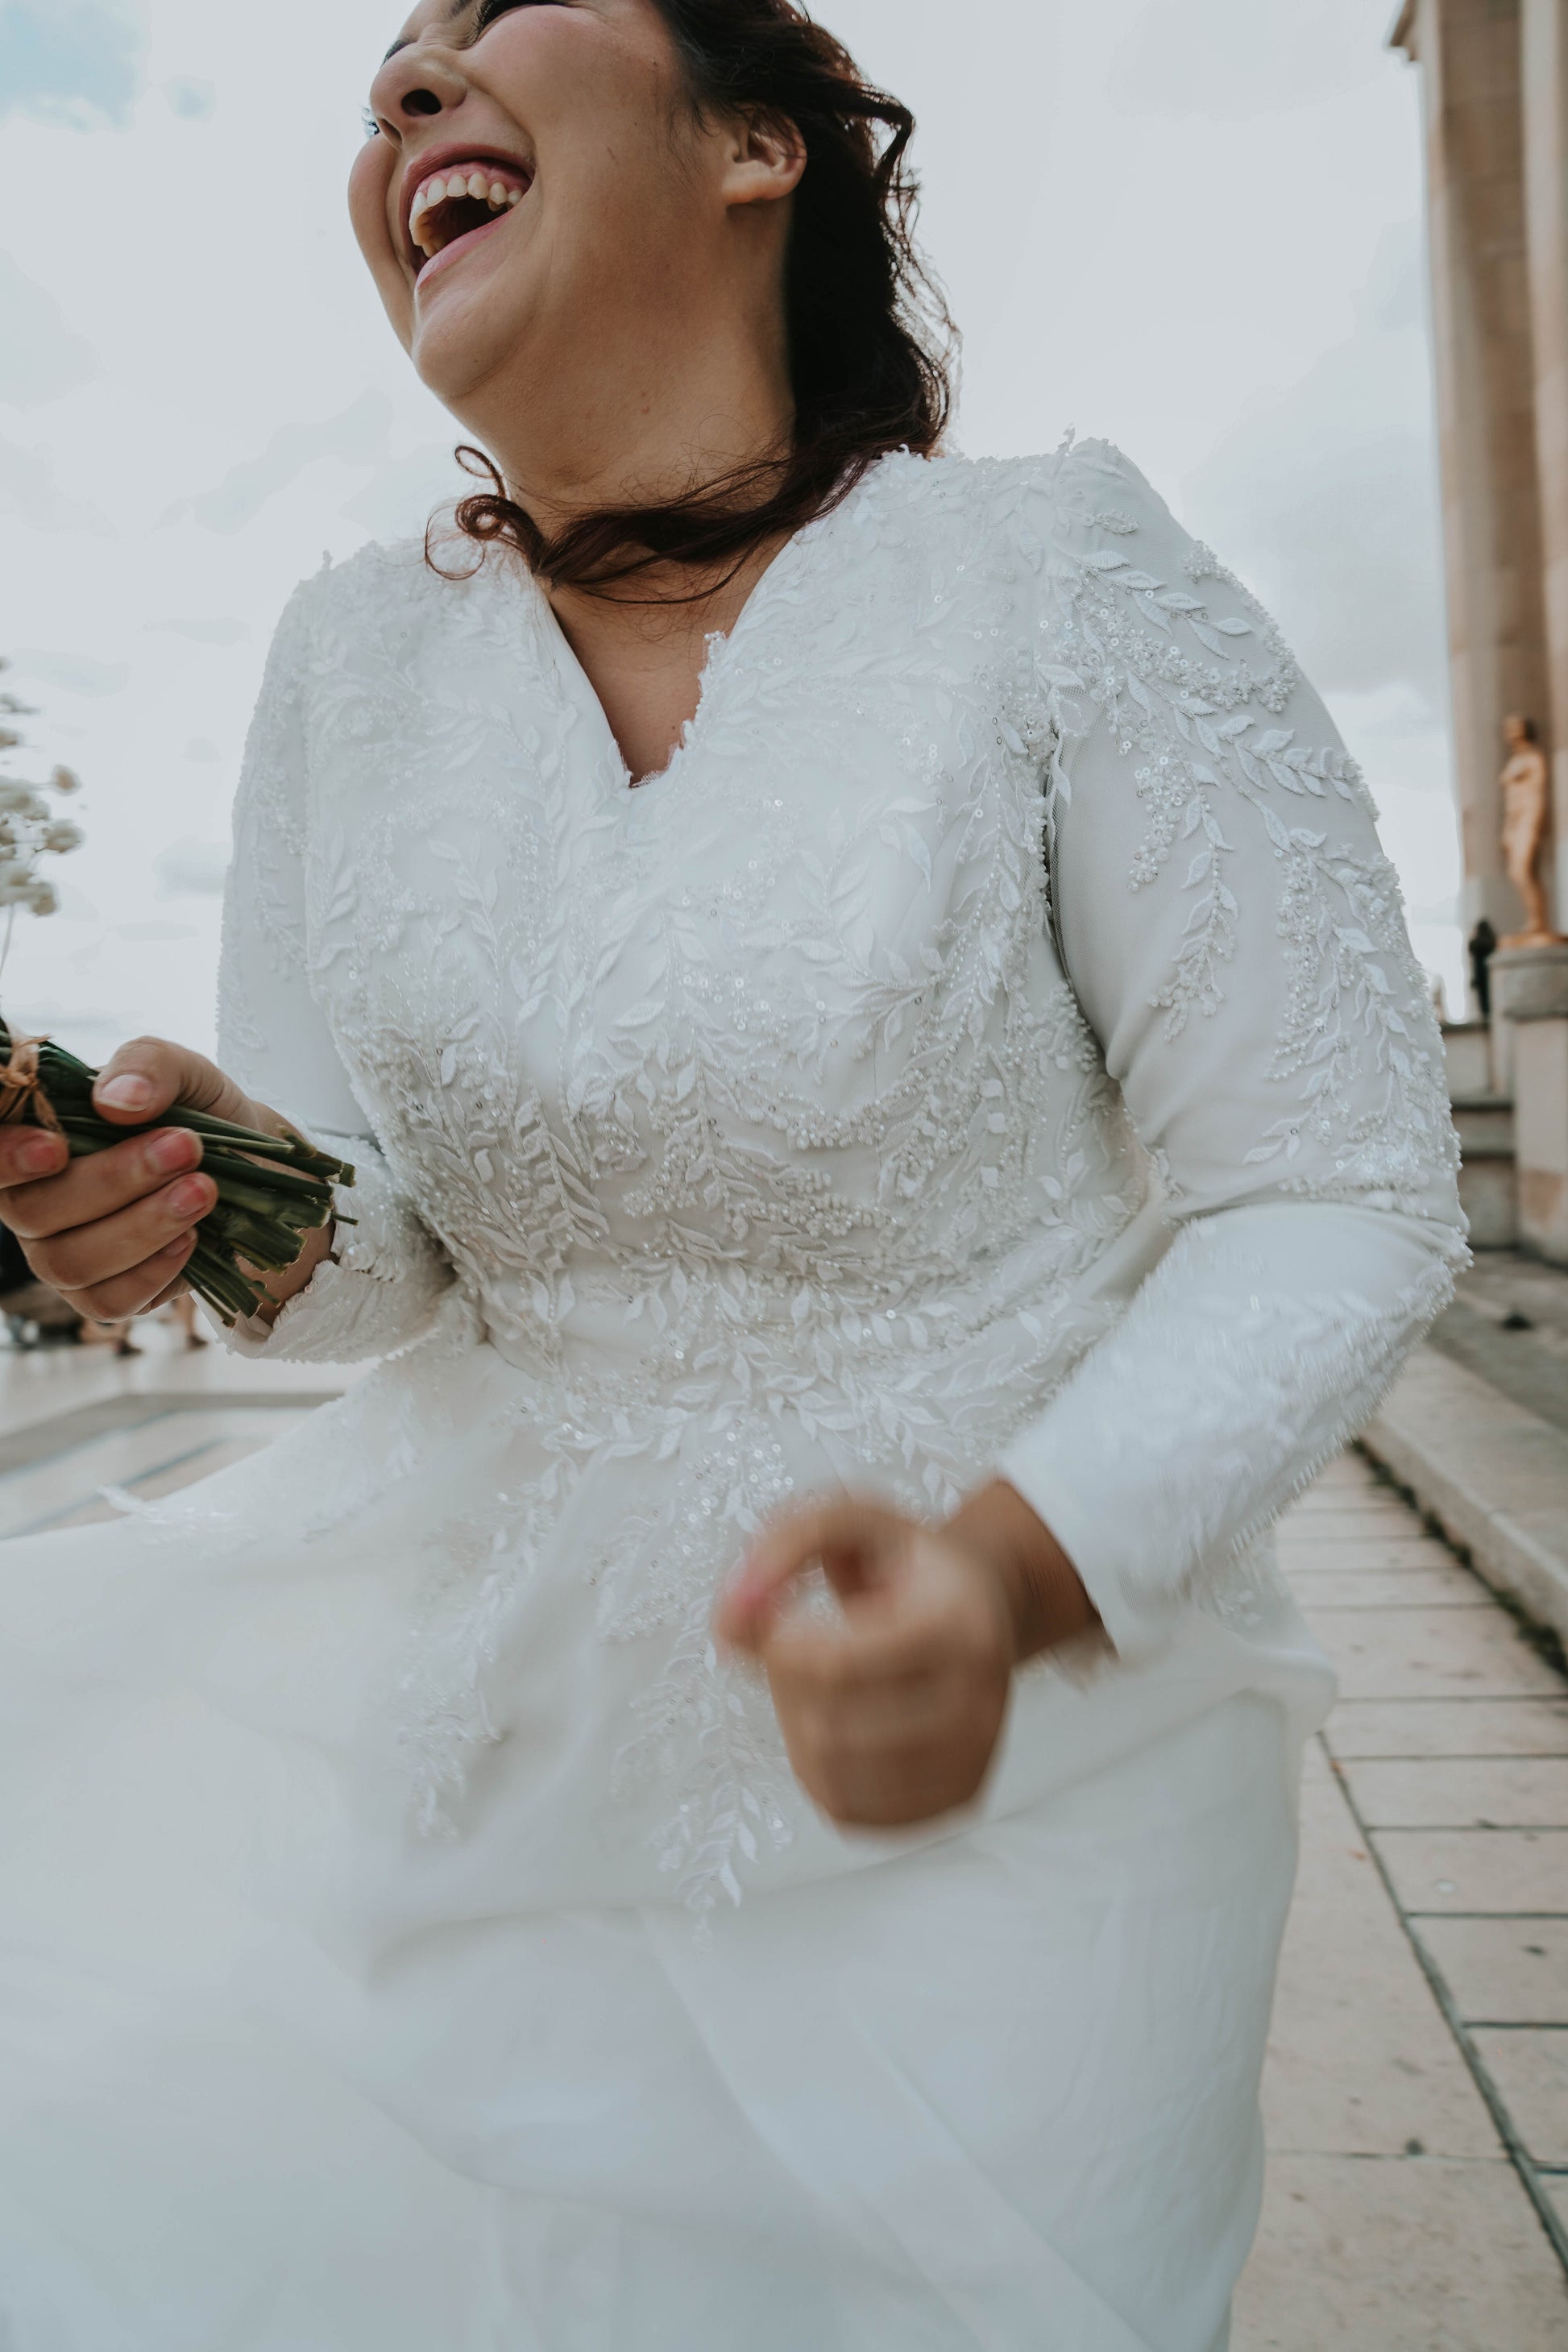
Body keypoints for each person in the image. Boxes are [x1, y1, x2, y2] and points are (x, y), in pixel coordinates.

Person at [0, 5, 1465, 2347]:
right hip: (481, 1756)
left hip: (1007, 1807)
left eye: (488, 25)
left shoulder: (1057, 576)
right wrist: (217, 1198)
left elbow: (1336, 1188)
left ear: (758, 142)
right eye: (382, 71)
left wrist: (1000, 1582)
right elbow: (393, 1252)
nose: (402, 95)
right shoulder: (346, 660)